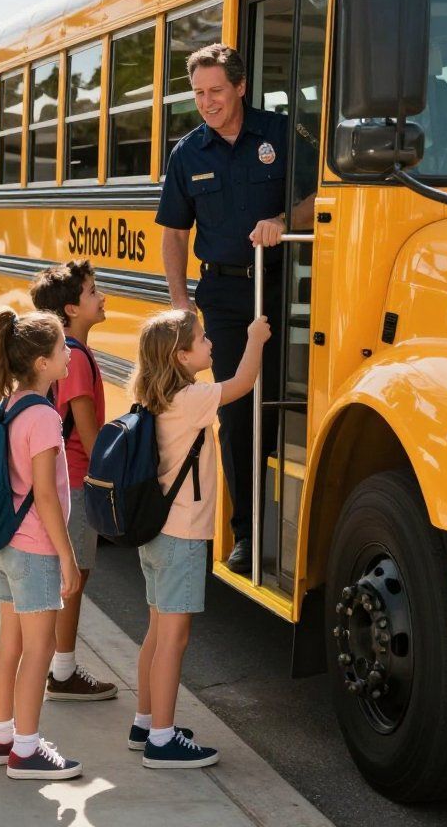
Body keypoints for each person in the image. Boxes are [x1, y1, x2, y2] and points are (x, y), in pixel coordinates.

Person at [156, 43, 313, 574]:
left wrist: (284, 218)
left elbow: (322, 194)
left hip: (283, 290)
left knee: (285, 410)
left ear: (241, 87)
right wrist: (182, 307)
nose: (207, 102)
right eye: (199, 93)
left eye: (216, 91)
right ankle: (247, 533)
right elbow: (175, 233)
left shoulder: (279, 134)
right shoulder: (188, 153)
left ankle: (295, 521)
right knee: (235, 412)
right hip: (221, 298)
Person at [132, 307, 270, 768]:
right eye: (203, 339)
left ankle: (146, 721)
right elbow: (244, 383)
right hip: (182, 534)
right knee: (175, 638)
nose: (211, 343)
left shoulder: (157, 396)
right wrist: (254, 337)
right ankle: (163, 740)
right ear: (181, 355)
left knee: (157, 631)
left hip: (157, 534)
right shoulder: (190, 397)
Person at [0, 308, 84, 781]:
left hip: (6, 545)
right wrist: (67, 556)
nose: (69, 354)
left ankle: (1, 737)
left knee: (10, 645)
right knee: (39, 650)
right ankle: (26, 749)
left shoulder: (10, 405)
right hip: (35, 548)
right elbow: (45, 494)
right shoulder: (43, 416)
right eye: (63, 347)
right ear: (42, 362)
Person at [29, 260, 118, 701]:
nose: (101, 297)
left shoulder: (69, 351)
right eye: (92, 292)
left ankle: (59, 667)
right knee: (74, 578)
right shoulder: (77, 357)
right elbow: (89, 434)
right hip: (79, 479)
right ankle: (62, 672)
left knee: (72, 576)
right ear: (71, 307)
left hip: (69, 477)